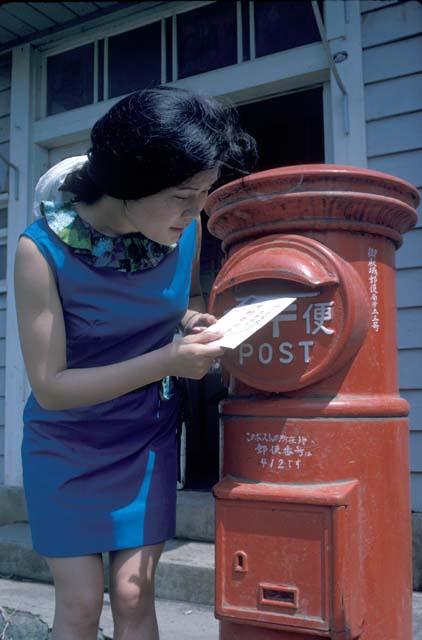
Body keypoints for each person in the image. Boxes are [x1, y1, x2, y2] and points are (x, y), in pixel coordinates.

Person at [14, 86, 257, 640]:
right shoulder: (40, 251)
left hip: (143, 438)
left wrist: (193, 323)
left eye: (203, 194)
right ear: (130, 181)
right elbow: (50, 386)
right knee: (78, 605)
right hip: (65, 443)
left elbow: (186, 305)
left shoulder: (185, 230)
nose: (195, 211)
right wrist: (168, 360)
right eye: (182, 195)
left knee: (133, 593)